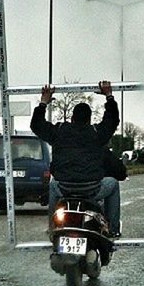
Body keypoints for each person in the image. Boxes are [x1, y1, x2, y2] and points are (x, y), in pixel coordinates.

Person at [30, 80, 122, 237]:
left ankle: (53, 228)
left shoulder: (59, 131)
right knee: (113, 184)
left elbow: (36, 125)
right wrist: (109, 96)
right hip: (92, 188)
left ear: (72, 118)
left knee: (53, 185)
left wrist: (43, 102)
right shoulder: (96, 133)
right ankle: (112, 229)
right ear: (89, 119)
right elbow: (112, 120)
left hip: (64, 187)